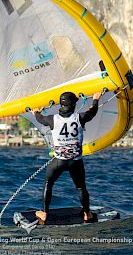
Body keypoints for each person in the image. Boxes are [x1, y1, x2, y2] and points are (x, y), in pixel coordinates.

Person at [32, 91, 102, 224]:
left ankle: (45, 213)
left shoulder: (52, 119)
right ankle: (87, 213)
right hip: (75, 162)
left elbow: (40, 119)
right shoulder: (80, 117)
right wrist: (95, 99)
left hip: (58, 161)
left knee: (48, 184)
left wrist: (36, 112)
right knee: (81, 188)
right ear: (73, 105)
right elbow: (92, 112)